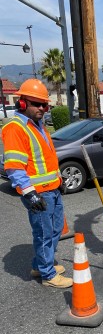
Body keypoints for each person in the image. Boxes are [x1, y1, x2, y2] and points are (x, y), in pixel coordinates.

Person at [2, 79, 73, 288]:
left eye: (44, 104)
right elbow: (14, 167)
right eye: (37, 104)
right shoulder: (16, 129)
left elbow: (46, 159)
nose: (42, 108)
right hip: (38, 193)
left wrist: (59, 180)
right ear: (22, 103)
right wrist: (30, 194)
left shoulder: (37, 126)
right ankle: (48, 275)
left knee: (56, 229)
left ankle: (40, 264)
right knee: (43, 233)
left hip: (52, 190)